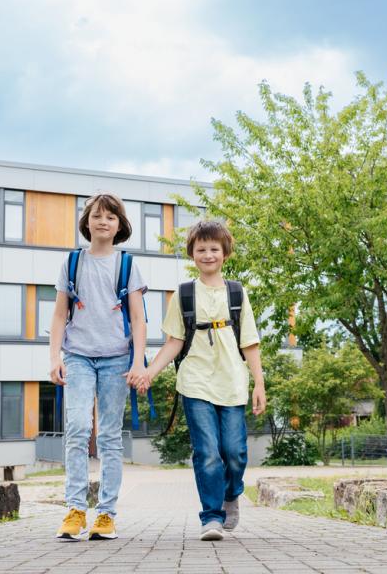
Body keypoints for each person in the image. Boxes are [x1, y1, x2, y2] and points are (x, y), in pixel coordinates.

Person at [136, 220, 266, 541]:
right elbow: (173, 342)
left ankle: (232, 493)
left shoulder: (237, 292)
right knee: (207, 451)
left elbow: (249, 341)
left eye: (214, 249)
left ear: (225, 254)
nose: (208, 254)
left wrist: (259, 383)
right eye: (201, 249)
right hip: (195, 381)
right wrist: (150, 372)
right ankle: (211, 517)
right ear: (192, 254)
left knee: (234, 452)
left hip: (233, 381)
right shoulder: (183, 294)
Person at [49, 192, 147, 541]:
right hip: (77, 356)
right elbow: (60, 314)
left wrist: (138, 362)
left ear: (120, 225)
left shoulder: (127, 264)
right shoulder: (72, 262)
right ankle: (75, 510)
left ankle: (106, 514)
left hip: (117, 360)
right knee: (76, 428)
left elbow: (138, 318)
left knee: (108, 437)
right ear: (86, 222)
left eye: (110, 216)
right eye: (96, 215)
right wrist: (54, 357)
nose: (103, 221)